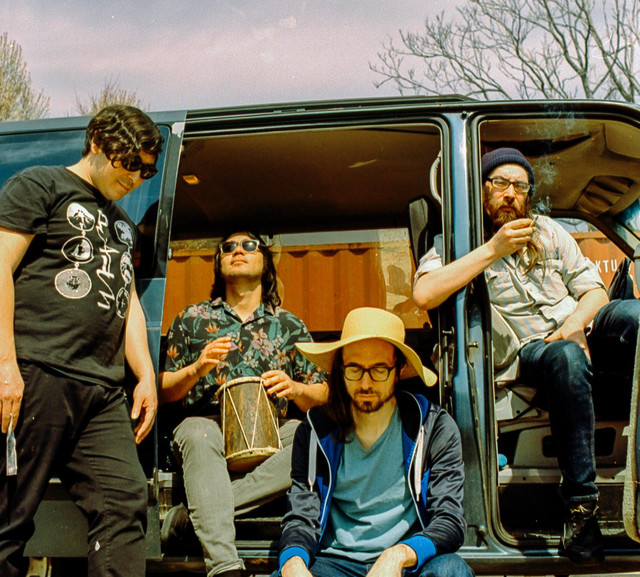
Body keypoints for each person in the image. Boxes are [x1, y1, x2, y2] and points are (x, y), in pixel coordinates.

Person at [413, 147, 640, 565]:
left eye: (520, 186)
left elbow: (593, 290)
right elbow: (424, 293)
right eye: (500, 183)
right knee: (566, 358)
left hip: (580, 323)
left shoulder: (549, 231)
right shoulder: (459, 242)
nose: (510, 193)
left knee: (636, 316)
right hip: (533, 349)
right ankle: (582, 509)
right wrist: (493, 249)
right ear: (482, 191)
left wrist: (575, 324)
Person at [0, 104, 164, 577]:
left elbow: (128, 302)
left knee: (124, 502)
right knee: (9, 515)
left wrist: (145, 375)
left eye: (146, 170)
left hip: (102, 392)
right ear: (96, 142)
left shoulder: (122, 225)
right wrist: (6, 365)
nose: (135, 176)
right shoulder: (40, 185)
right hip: (38, 372)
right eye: (128, 162)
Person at [159, 231, 328, 577]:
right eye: (228, 247)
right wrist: (197, 368)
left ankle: (195, 516)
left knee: (309, 439)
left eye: (249, 246)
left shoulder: (288, 324)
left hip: (271, 433)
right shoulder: (191, 318)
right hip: (207, 431)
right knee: (198, 433)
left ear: (264, 262)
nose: (238, 251)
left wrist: (295, 388)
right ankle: (225, 567)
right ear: (218, 263)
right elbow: (162, 389)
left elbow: (323, 391)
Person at [276, 307, 474, 577]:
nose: (366, 383)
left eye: (379, 370)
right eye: (354, 369)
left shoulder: (433, 427)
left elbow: (449, 520)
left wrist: (398, 555)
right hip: (335, 562)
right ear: (340, 369)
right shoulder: (315, 431)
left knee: (451, 570)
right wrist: (293, 563)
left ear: (398, 370)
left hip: (406, 563)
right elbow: (301, 516)